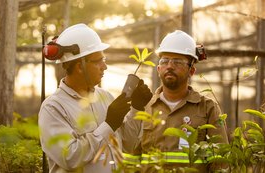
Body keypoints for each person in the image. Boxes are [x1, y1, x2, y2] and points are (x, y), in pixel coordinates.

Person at [38, 23, 152, 173]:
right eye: (98, 60)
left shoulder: (105, 97)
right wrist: (109, 125)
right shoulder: (53, 108)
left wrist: (136, 109)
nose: (105, 66)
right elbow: (70, 157)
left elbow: (127, 145)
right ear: (80, 66)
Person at [123, 30, 229, 172]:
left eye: (177, 62)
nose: (170, 66)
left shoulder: (207, 108)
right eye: (165, 61)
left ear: (191, 71)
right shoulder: (144, 107)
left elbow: (220, 161)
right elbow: (132, 158)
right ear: (158, 69)